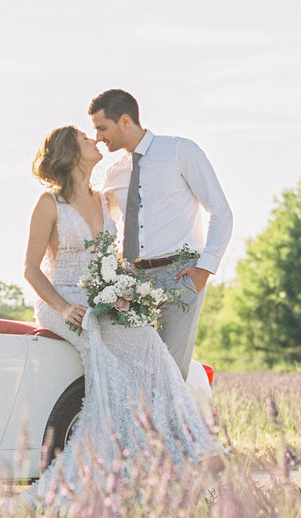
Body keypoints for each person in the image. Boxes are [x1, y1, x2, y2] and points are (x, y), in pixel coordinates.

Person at [22, 126, 221, 503]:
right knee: (106, 345)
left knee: (150, 346)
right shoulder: (49, 204)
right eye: (85, 137)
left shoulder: (103, 199)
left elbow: (128, 243)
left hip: (101, 297)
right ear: (68, 151)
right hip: (60, 299)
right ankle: (110, 465)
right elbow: (31, 269)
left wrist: (125, 291)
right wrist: (64, 308)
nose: (95, 140)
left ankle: (187, 451)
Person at [89, 89, 232, 379]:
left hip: (179, 277)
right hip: (129, 285)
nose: (98, 138)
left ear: (125, 120)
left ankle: (168, 425)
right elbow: (107, 229)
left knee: (169, 373)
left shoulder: (180, 151)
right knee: (132, 372)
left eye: (102, 128)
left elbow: (220, 212)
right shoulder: (113, 173)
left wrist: (204, 270)